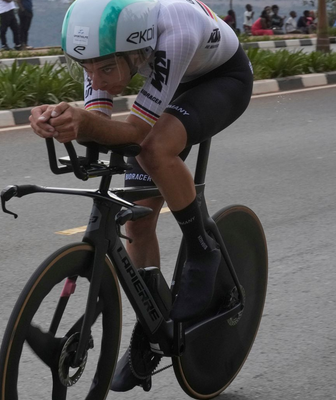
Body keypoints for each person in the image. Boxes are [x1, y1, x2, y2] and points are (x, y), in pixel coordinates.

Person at [35, 0, 253, 391]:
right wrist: (59, 121)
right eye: (85, 68)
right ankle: (154, 322)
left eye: (105, 69)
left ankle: (203, 247)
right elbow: (99, 125)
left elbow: (135, 134)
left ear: (135, 50)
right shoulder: (102, 48)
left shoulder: (175, 33)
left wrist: (85, 122)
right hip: (169, 84)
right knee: (136, 215)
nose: (95, 80)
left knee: (154, 149)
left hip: (220, 79)